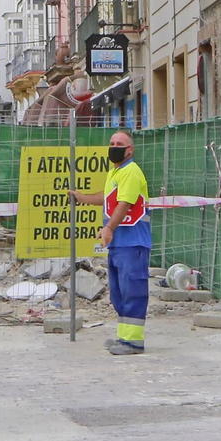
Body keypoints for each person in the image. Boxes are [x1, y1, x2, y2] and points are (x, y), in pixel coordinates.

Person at [73, 130, 151, 356]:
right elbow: (109, 198)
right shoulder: (115, 172)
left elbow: (125, 204)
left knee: (132, 291)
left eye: (119, 144)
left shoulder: (131, 172)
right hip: (120, 244)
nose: (114, 146)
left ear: (130, 150)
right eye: (112, 143)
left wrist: (108, 228)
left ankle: (133, 341)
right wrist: (83, 198)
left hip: (133, 242)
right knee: (119, 292)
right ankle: (124, 337)